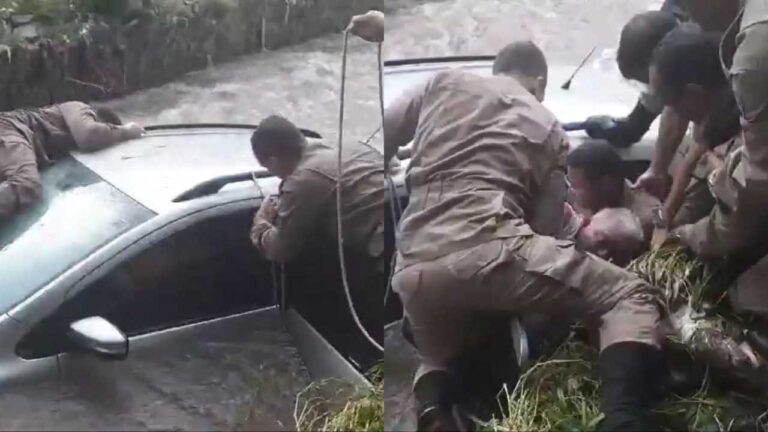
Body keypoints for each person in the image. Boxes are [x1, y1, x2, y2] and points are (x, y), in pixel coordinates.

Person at [385, 40, 665, 431]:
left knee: (439, 358)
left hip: (413, 266)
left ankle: (434, 414)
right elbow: (545, 227)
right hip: (488, 252)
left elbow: (386, 130)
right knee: (629, 295)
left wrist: (392, 161)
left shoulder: (441, 83)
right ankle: (622, 420)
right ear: (538, 83)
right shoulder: (547, 125)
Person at [649, 15, 768, 353]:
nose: (674, 115)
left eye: (674, 106)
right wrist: (667, 213)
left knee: (743, 303)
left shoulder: (751, 111)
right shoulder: (729, 102)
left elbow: (735, 220)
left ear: (693, 94)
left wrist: (681, 235)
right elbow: (696, 153)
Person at [249, 115, 386, 338]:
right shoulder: (353, 145)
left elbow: (282, 250)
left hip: (379, 262)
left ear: (273, 160)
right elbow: (393, 164)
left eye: (268, 168)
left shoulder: (304, 180)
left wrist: (262, 223)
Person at [0, 102, 144, 219]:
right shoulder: (79, 107)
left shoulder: (65, 138)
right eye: (107, 131)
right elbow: (89, 135)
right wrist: (125, 131)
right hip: (9, 129)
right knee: (25, 185)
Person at [566, 141, 661, 243]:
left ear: (606, 183)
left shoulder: (646, 221)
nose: (571, 192)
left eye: (577, 186)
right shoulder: (587, 202)